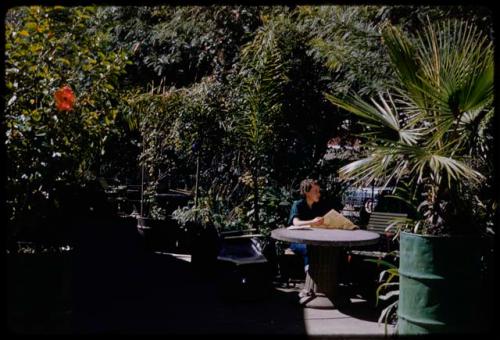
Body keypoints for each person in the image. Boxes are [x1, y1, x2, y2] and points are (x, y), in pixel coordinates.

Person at [287, 179, 332, 272]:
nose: (318, 194)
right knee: (310, 248)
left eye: (319, 191)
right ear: (307, 192)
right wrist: (313, 221)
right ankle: (310, 273)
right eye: (315, 191)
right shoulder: (298, 205)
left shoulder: (317, 206)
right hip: (297, 241)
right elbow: (296, 222)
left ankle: (325, 275)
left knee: (326, 249)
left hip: (313, 239)